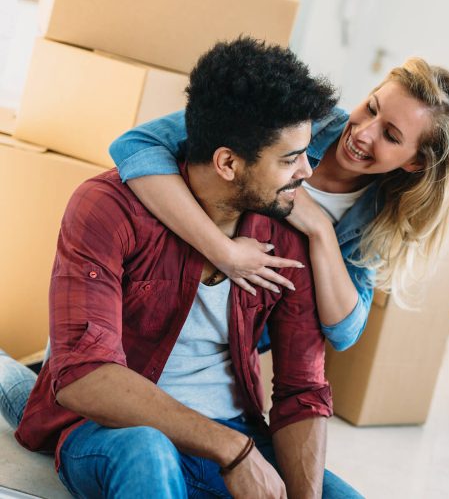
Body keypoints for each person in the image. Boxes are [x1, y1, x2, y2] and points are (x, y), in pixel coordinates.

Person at [10, 38, 362, 498]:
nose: (307, 173)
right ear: (228, 162)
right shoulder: (106, 207)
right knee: (148, 452)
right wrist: (233, 451)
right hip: (117, 432)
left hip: (236, 430)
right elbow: (85, 378)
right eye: (290, 158)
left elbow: (303, 392)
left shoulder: (288, 233)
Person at [109, 57, 449, 352]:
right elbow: (135, 146)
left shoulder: (380, 211)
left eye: (390, 135)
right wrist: (223, 252)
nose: (363, 133)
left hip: (226, 339)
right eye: (371, 108)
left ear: (415, 162)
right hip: (158, 288)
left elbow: (345, 330)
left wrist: (319, 230)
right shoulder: (299, 114)